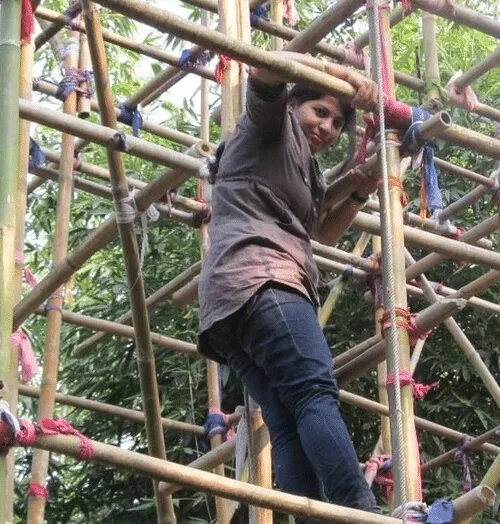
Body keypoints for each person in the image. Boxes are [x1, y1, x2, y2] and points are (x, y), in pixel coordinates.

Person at [198, 51, 380, 522]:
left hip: (231, 303)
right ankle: (360, 509)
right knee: (314, 392)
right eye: (320, 111)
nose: (328, 128)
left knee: (287, 420)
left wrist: (359, 190)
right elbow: (265, 66)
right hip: (264, 279)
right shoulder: (269, 126)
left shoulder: (303, 168)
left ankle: (311, 518)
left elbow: (319, 233)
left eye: (337, 123)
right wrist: (342, 75)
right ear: (293, 103)